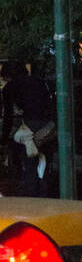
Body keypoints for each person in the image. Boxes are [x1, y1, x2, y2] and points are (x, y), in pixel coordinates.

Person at [1, 59, 55, 195]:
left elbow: (8, 115)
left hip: (31, 127)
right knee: (45, 164)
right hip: (49, 126)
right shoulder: (40, 82)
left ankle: (33, 199)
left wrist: (4, 137)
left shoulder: (10, 88)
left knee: (30, 166)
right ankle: (46, 194)